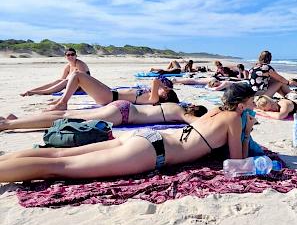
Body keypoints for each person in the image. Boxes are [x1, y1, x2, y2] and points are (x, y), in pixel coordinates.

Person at [0, 83, 257, 183]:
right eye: (253, 102)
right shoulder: (234, 118)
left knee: (57, 155)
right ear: (243, 103)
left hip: (146, 138)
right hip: (152, 152)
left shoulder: (213, 111)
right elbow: (236, 162)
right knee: (60, 167)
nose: (255, 105)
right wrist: (245, 133)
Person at [0, 102, 208, 131]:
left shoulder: (175, 105)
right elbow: (201, 123)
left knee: (67, 113)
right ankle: (8, 125)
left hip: (122, 107)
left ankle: (12, 120)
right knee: (68, 120)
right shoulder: (181, 113)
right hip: (124, 115)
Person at [45, 73, 179, 111]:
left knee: (77, 76)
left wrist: (165, 86)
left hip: (108, 97)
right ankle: (61, 101)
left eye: (165, 91)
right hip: (110, 93)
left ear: (165, 95)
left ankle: (63, 103)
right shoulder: (151, 95)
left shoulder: (154, 99)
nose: (163, 89)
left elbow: (156, 80)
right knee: (79, 77)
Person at [20, 48, 90, 97]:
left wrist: (67, 83)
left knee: (66, 81)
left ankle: (38, 92)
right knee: (59, 81)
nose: (70, 56)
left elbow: (83, 79)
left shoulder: (79, 64)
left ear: (76, 56)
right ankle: (31, 91)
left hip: (83, 86)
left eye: (72, 54)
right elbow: (61, 80)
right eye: (68, 55)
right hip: (74, 85)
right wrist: (63, 84)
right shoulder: (68, 66)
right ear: (65, 57)